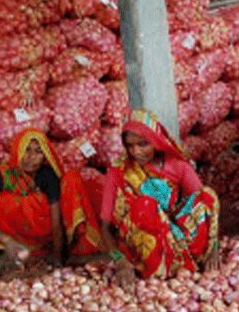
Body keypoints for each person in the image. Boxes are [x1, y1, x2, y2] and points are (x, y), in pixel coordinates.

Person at [94, 109, 220, 288]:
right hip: (142, 246)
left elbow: (204, 204)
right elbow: (105, 228)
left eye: (143, 144)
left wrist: (214, 246)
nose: (136, 151)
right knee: (145, 204)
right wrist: (120, 261)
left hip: (175, 236)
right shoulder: (117, 172)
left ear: (155, 140)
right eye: (130, 145)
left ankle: (188, 259)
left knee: (207, 195)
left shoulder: (177, 165)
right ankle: (166, 267)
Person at [0, 128, 92, 269]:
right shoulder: (3, 175)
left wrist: (57, 260)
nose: (31, 157)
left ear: (45, 156)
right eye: (26, 149)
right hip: (7, 236)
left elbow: (56, 223)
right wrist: (4, 238)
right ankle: (8, 244)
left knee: (71, 179)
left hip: (43, 237)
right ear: (17, 150)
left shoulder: (47, 176)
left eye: (38, 151)